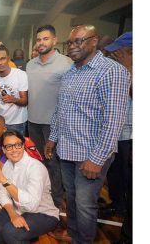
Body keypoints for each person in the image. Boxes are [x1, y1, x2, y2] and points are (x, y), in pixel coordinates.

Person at [44, 25, 131, 244]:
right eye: (70, 43)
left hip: (90, 154)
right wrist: (53, 138)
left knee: (85, 203)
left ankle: (83, 240)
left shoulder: (112, 71)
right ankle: (74, 234)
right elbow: (60, 110)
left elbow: (114, 120)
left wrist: (97, 158)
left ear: (94, 41)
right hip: (67, 149)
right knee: (71, 198)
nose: (73, 46)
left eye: (79, 41)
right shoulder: (70, 72)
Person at [26, 25, 72, 213]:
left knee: (54, 163)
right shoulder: (30, 64)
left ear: (54, 40)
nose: (41, 42)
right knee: (38, 161)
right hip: (33, 122)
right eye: (39, 39)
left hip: (54, 124)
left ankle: (56, 201)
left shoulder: (66, 63)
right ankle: (42, 195)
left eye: (45, 39)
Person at [0, 130, 59, 244]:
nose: (14, 149)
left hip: (42, 213)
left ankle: (25, 236)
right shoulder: (7, 166)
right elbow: (3, 194)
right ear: (3, 150)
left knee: (10, 233)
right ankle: (28, 237)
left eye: (18, 145)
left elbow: (32, 206)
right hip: (18, 209)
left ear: (23, 145)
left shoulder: (35, 168)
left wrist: (5, 181)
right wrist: (12, 214)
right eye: (9, 146)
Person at [103, 32, 133, 244]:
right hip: (118, 129)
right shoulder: (117, 69)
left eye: (119, 52)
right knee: (115, 170)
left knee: (129, 176)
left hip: (132, 132)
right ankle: (118, 204)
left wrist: (129, 68)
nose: (114, 56)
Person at [0, 45, 28, 135]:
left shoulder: (20, 74)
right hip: (1, 122)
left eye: (2, 59)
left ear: (8, 59)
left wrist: (13, 99)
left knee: (16, 148)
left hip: (18, 122)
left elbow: (25, 101)